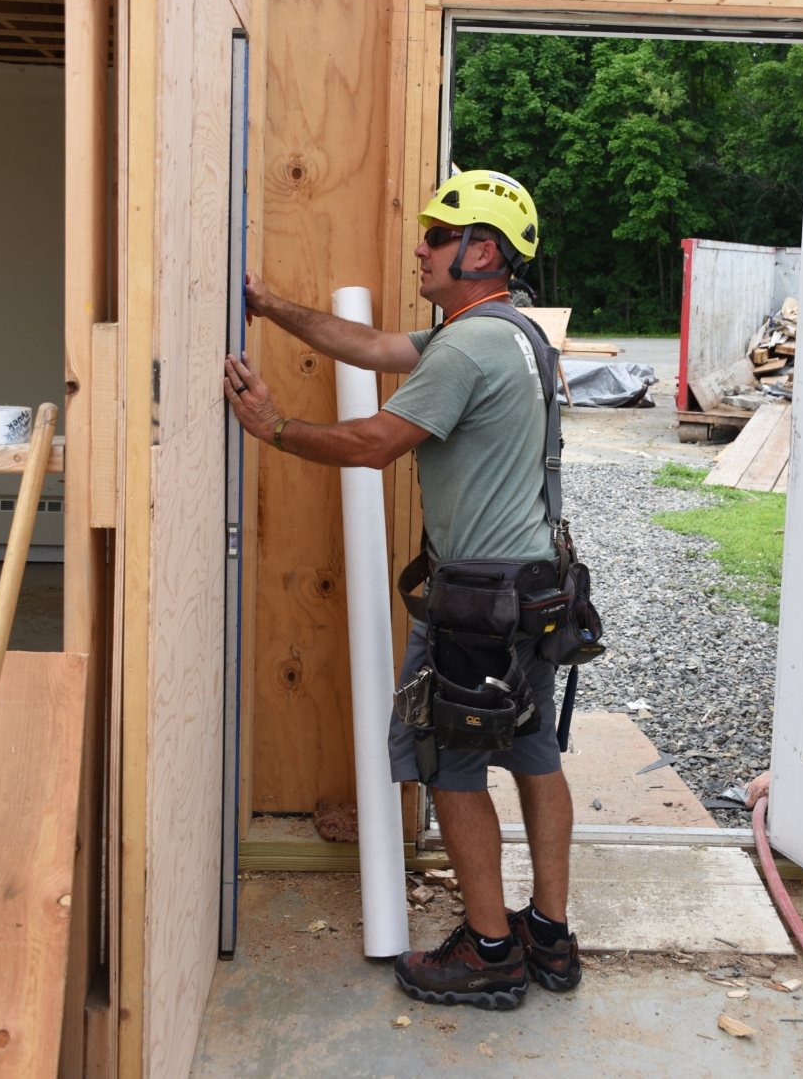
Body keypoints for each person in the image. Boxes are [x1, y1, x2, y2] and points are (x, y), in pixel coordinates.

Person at [224, 171, 580, 1012]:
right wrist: (273, 307)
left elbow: (373, 442)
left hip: (477, 603)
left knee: (451, 767)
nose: (419, 246)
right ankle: (549, 939)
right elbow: (375, 346)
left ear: (481, 249)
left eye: (436, 233)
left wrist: (271, 427)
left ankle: (491, 954)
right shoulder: (512, 333)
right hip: (536, 588)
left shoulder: (466, 349)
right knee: (534, 754)